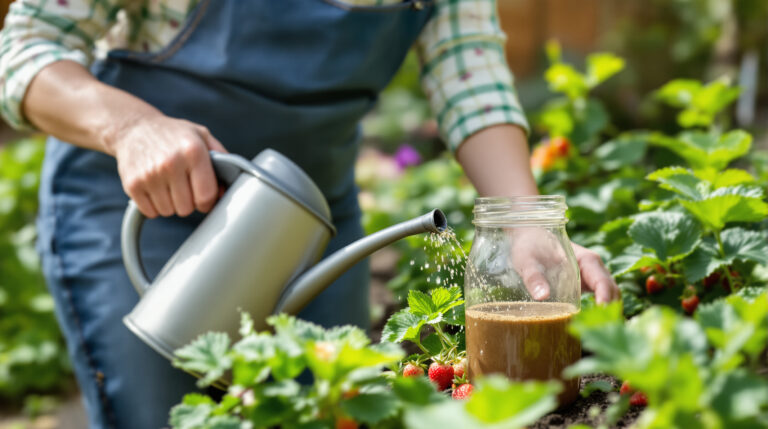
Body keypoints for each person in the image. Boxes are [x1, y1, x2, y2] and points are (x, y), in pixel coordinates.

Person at [0, 0, 620, 427]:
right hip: (144, 212)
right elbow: (25, 48)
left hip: (310, 227)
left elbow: (471, 78)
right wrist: (133, 128)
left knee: (335, 410)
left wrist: (525, 220)